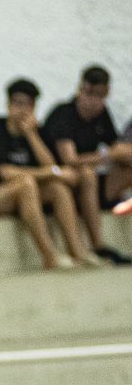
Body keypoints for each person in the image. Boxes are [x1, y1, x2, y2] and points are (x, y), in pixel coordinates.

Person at [0, 78, 96, 269]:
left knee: (57, 188)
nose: (22, 110)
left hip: (18, 197)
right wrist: (51, 173)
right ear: (8, 104)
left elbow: (50, 166)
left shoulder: (35, 133)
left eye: (28, 105)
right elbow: (6, 172)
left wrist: (32, 135)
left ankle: (78, 253)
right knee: (26, 183)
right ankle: (50, 256)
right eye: (18, 103)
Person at [42, 65, 132, 257]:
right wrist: (108, 155)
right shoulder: (64, 114)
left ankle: (113, 205)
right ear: (80, 89)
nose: (92, 101)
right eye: (88, 93)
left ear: (106, 93)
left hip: (90, 184)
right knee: (87, 173)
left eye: (98, 95)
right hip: (60, 177)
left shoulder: (102, 115)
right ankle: (97, 244)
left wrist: (123, 154)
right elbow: (70, 160)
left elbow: (117, 147)